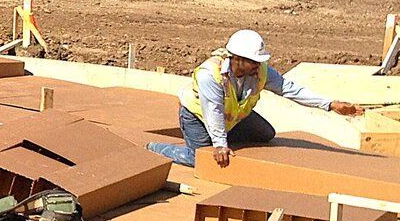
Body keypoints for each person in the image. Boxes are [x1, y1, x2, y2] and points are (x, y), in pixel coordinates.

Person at [147, 30, 363, 167]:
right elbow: (212, 111)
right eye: (253, 61)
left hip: (233, 118)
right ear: (237, 59)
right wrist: (220, 145)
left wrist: (330, 104)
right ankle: (156, 148)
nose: (257, 66)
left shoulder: (260, 72)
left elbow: (289, 89)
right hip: (197, 117)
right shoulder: (209, 75)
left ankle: (223, 138)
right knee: (201, 159)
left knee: (265, 133)